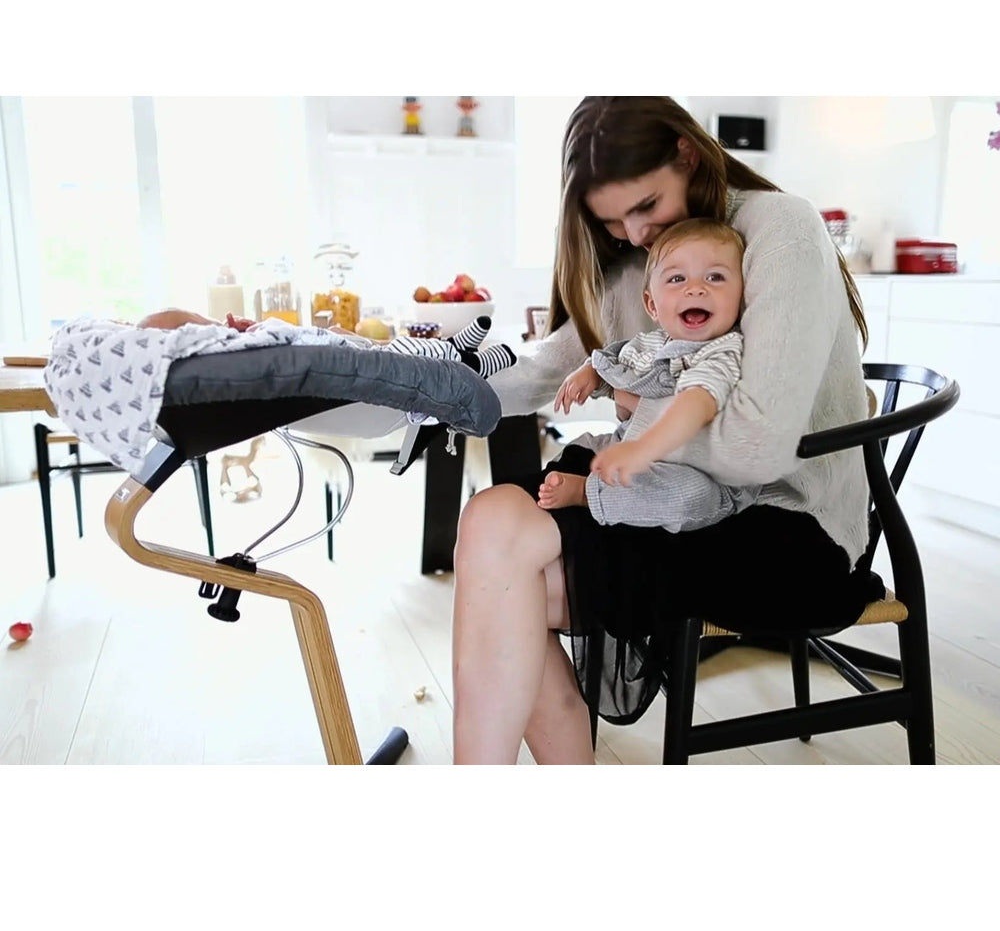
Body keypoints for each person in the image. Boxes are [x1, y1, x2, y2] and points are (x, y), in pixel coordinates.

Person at [451, 96, 884, 764]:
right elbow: (545, 370)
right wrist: (420, 392)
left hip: (789, 528)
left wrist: (638, 420)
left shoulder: (781, 230)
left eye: (646, 205)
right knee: (490, 523)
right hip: (676, 491)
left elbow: (754, 448)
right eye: (613, 220)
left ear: (686, 154)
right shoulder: (647, 257)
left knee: (504, 586)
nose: (635, 233)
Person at [536, 217, 759, 533]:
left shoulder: (725, 349)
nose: (696, 289)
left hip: (701, 471)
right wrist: (592, 374)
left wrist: (645, 448)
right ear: (652, 305)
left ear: (742, 296)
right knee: (585, 446)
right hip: (635, 448)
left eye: (715, 277)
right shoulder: (650, 343)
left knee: (687, 497)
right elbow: (617, 361)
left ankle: (586, 493)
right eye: (677, 279)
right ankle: (580, 474)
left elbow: (699, 402)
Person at [134, 308, 516, 378]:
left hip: (333, 344)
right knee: (398, 358)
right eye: (213, 324)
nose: (228, 323)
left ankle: (453, 349)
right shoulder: (232, 354)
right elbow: (276, 345)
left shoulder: (238, 343)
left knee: (391, 348)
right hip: (339, 362)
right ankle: (461, 360)